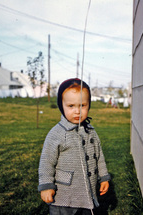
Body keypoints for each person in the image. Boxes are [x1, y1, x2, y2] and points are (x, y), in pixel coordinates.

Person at [38, 78, 111, 215]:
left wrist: (104, 176)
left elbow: (99, 156)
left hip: (88, 194)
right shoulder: (57, 133)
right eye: (71, 106)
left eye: (82, 105)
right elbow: (46, 162)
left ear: (89, 105)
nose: (77, 111)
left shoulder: (91, 131)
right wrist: (46, 185)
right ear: (61, 105)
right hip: (64, 196)